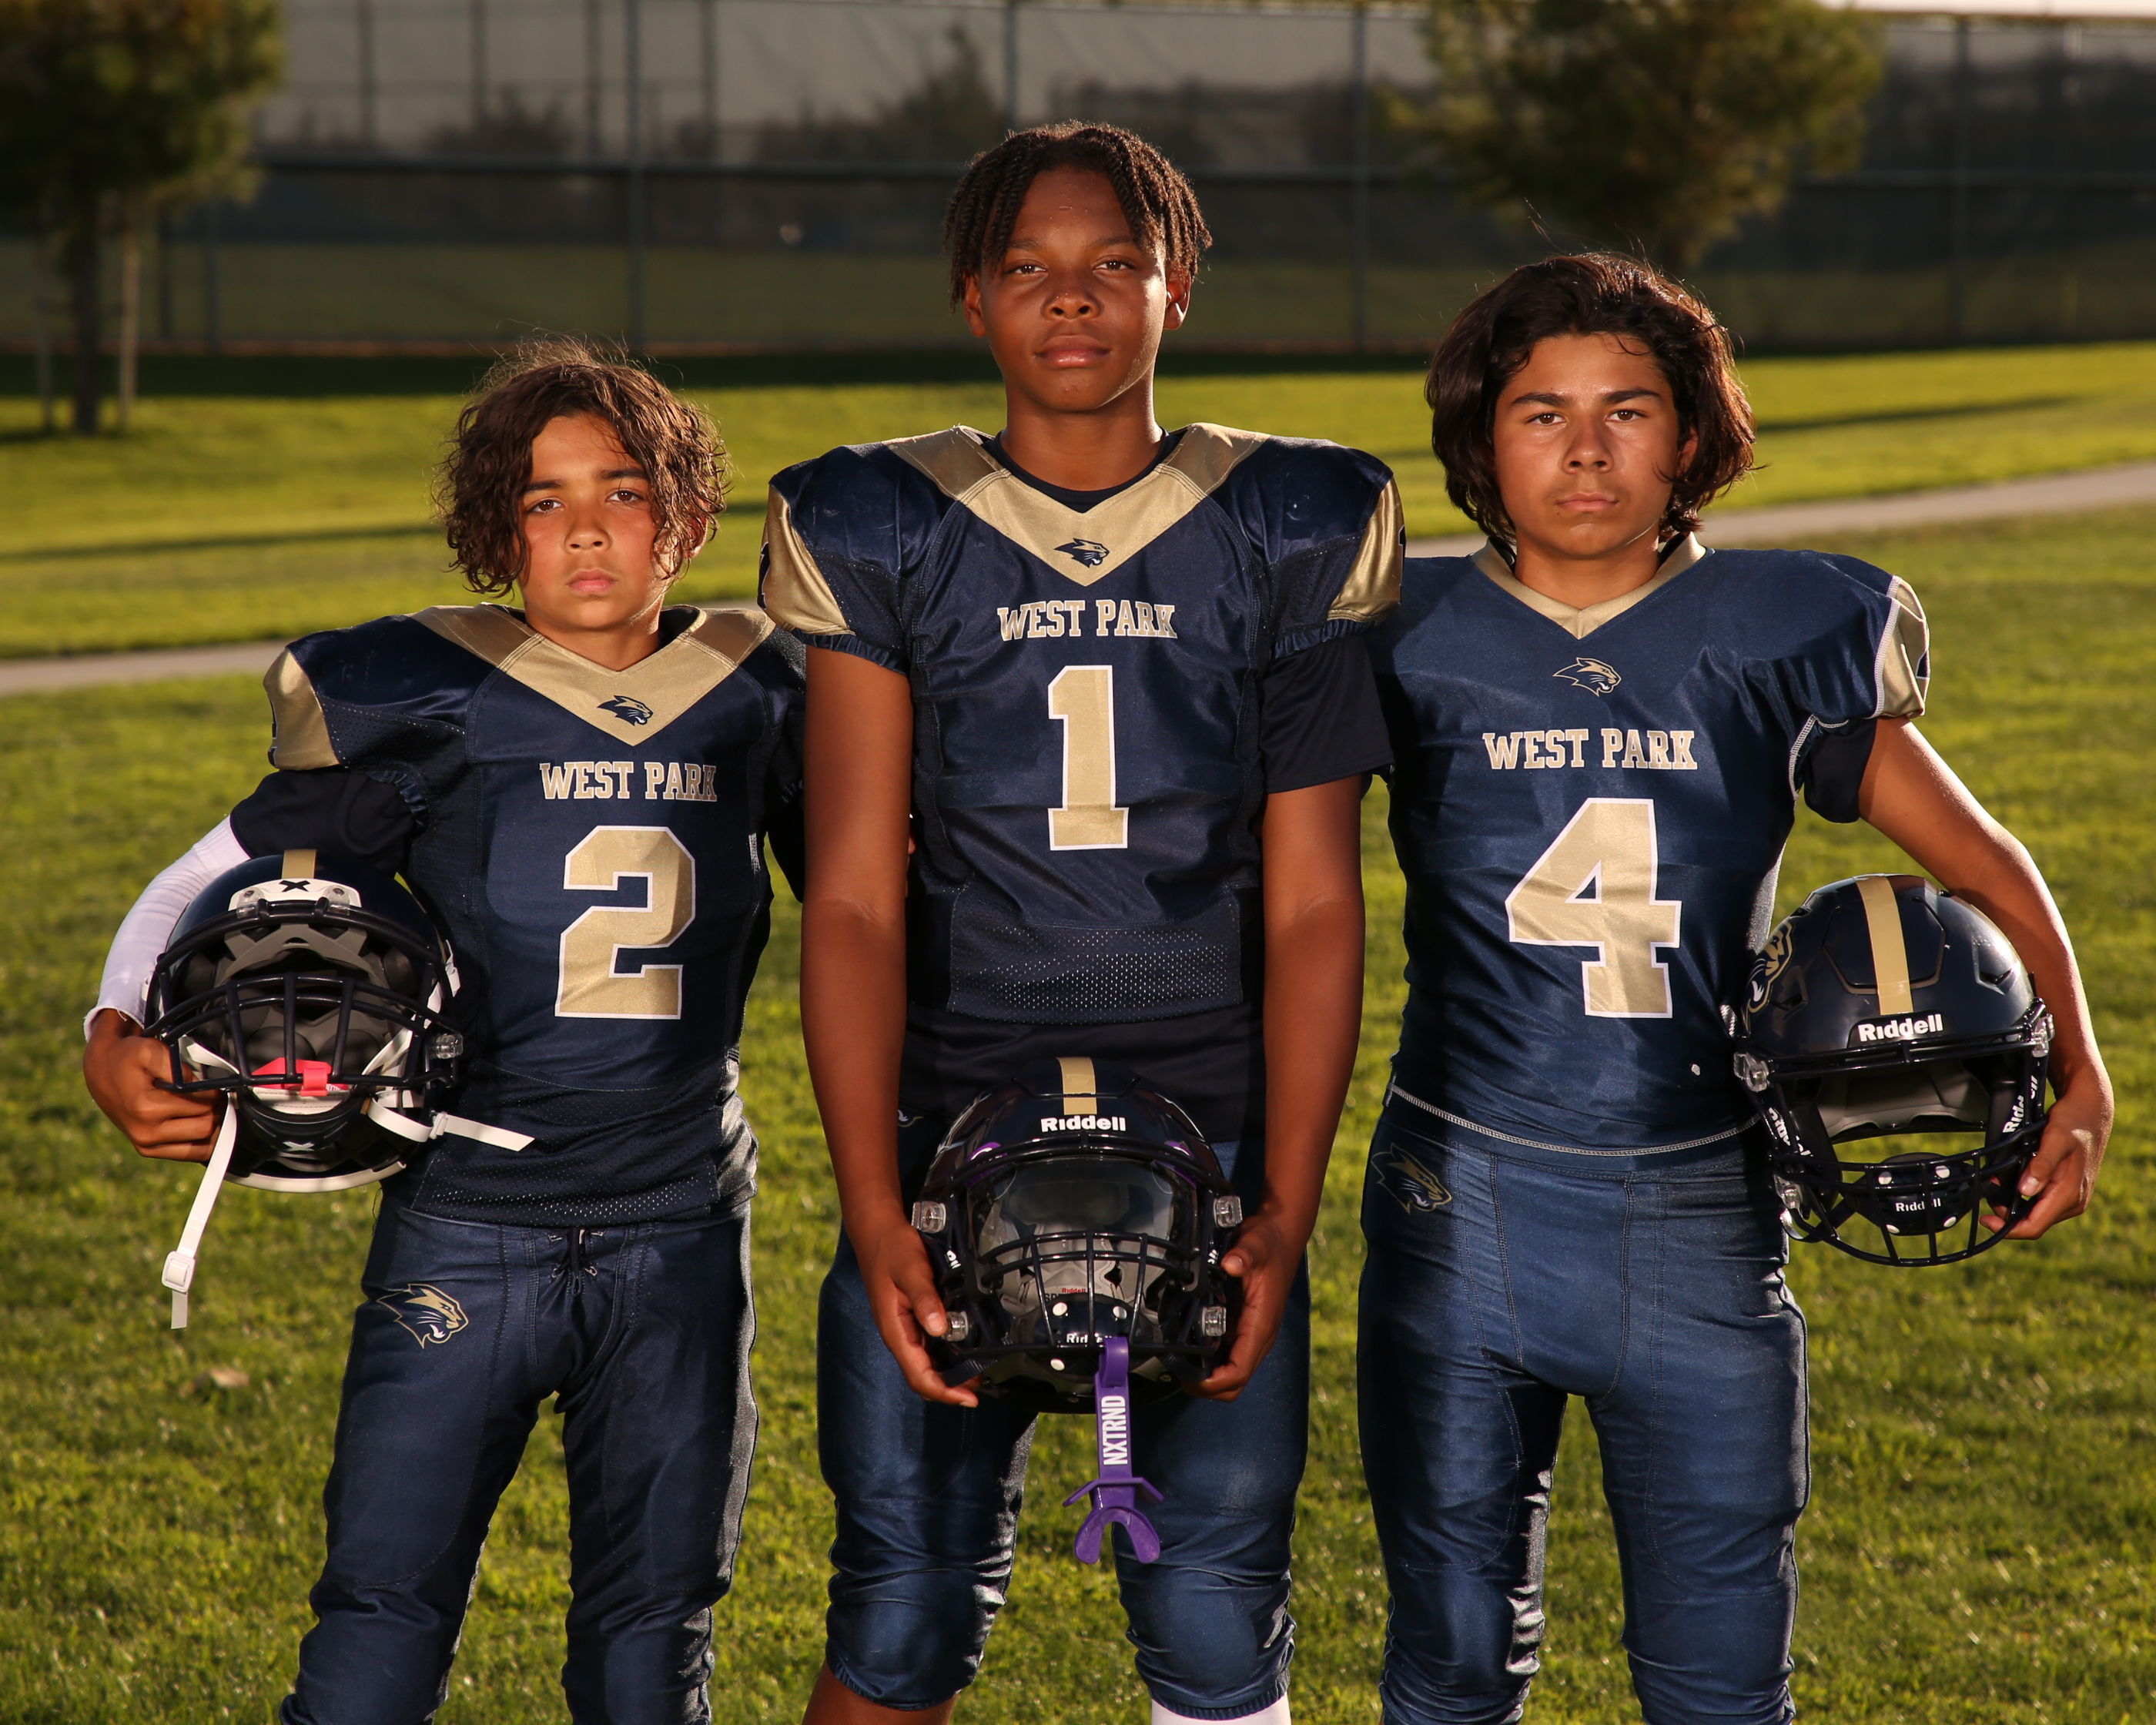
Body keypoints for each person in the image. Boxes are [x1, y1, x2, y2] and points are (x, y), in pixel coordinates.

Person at [1359, 253, 2114, 1725]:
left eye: (1629, 410)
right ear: (1480, 441)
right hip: (1463, 1198)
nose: (1586, 449)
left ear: (1693, 437)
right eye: (1541, 413)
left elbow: (1983, 861)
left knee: (1720, 1683)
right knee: (1448, 1664)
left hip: (1700, 1201)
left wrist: (2082, 1068)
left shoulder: (1773, 627)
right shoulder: (1404, 635)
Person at [758, 122, 1401, 1725]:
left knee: (1215, 1617)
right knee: (899, 1609)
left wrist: (1287, 1205)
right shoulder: (885, 520)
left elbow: (1317, 897)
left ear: (1176, 288)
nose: (1073, 298)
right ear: (972, 297)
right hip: (947, 1128)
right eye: (1029, 267)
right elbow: (852, 893)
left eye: (1115, 261)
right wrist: (873, 1209)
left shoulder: (1287, 518)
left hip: (1213, 1129)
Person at [81, 340, 805, 1725]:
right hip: (469, 1220)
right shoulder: (430, 694)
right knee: (379, 1623)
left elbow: (884, 898)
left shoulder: (764, 689)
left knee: (655, 1642)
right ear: (494, 530)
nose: (585, 528)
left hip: (677, 1226)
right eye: (543, 500)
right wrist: (112, 1025)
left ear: (686, 515)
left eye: (623, 490)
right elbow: (205, 873)